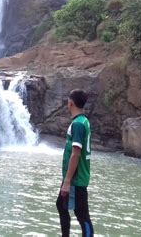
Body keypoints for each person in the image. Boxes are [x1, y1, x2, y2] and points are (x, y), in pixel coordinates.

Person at [56, 89, 94, 237]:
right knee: (62, 206)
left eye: (67, 100)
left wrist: (67, 181)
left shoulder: (77, 124)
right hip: (77, 177)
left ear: (70, 103)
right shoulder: (83, 121)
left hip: (76, 178)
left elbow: (75, 153)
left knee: (82, 215)